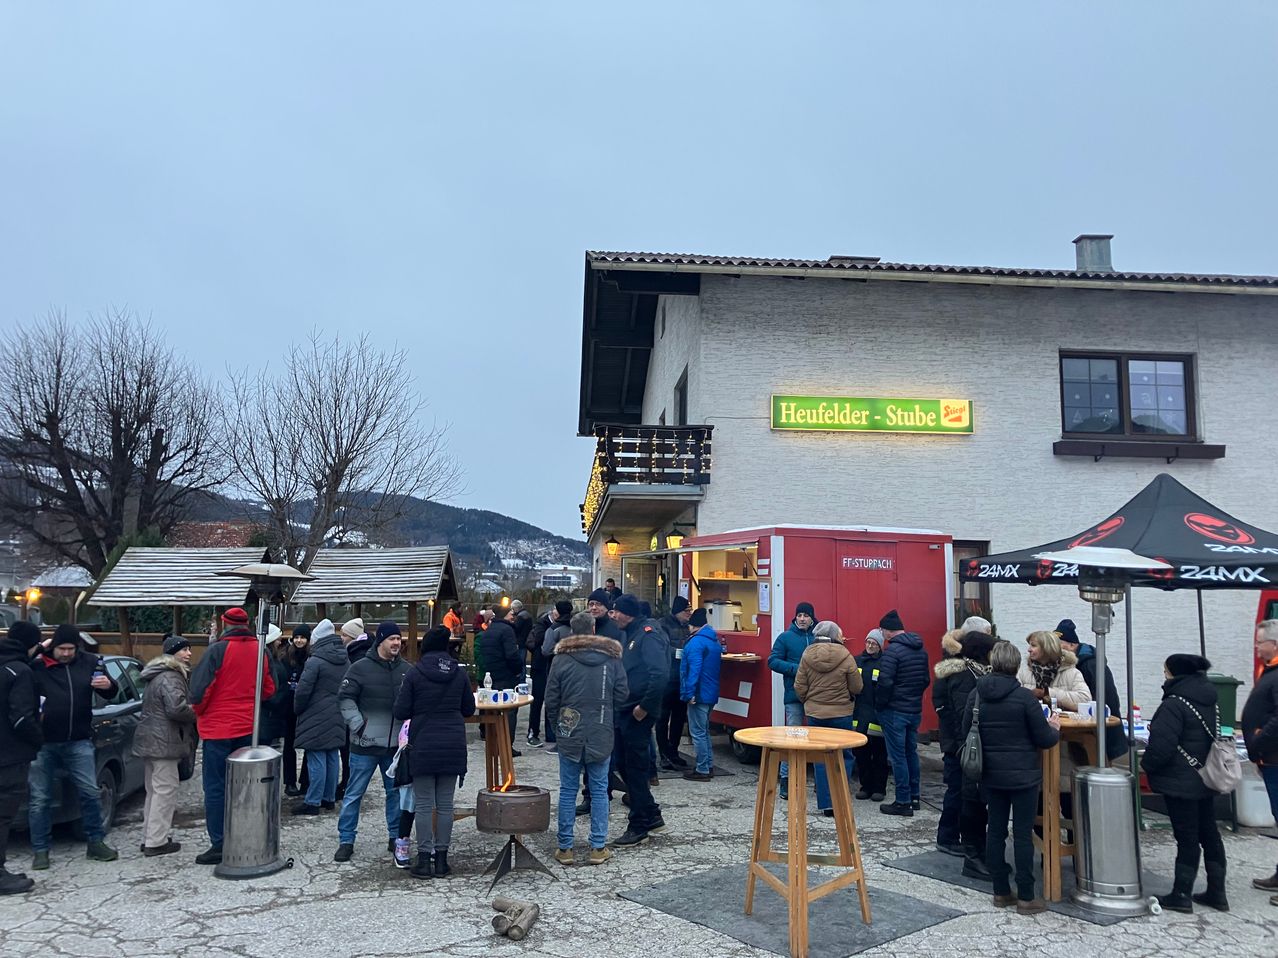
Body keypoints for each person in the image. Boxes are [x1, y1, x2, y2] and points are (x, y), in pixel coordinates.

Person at [961, 639, 1060, 915]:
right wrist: (1054, 727)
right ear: (1016, 666)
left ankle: (1000, 891)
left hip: (990, 774)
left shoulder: (977, 695)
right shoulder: (1024, 698)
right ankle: (1027, 896)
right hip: (1023, 776)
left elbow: (966, 731)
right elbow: (1044, 738)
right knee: (1022, 834)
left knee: (995, 830)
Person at [1140, 653, 1229, 913]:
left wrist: (1148, 767)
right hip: (1205, 775)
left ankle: (1181, 893)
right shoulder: (1209, 698)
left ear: (1175, 673)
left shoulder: (1174, 703)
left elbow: (1161, 746)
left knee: (1186, 836)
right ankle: (1217, 892)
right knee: (1209, 833)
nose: (1163, 675)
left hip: (1180, 778)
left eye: (1165, 671)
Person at [189, 607, 276, 865]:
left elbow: (198, 693)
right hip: (248, 728)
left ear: (225, 624)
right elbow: (269, 689)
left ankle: (219, 842)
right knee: (244, 788)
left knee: (216, 787)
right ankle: (244, 835)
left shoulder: (216, 651)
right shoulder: (262, 651)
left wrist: (200, 712)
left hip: (217, 729)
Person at [28, 624, 120, 868]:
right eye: (62, 648)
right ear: (53, 646)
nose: (67, 653)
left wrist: (108, 686)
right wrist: (39, 647)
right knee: (40, 798)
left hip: (78, 740)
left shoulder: (89, 662)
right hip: (43, 743)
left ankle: (95, 842)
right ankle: (40, 850)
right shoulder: (37, 665)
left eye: (71, 648)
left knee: (90, 792)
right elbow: (12, 664)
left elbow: (112, 691)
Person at [392, 626, 475, 879]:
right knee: (446, 805)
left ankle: (424, 860)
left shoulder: (415, 673)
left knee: (425, 804)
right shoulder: (458, 673)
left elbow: (401, 711)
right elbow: (469, 709)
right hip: (452, 744)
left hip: (424, 745)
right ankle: (442, 860)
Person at [546, 611, 628, 865]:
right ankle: (598, 847)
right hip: (601, 730)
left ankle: (565, 848)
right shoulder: (611, 659)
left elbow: (551, 700)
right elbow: (623, 694)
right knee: (600, 789)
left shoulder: (561, 660)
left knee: (568, 790)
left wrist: (558, 728)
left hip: (569, 731)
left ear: (572, 631)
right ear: (594, 629)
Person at [334, 620, 411, 862]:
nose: (397, 642)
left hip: (394, 747)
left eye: (399, 639)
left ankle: (394, 836)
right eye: (392, 639)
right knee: (354, 793)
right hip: (364, 744)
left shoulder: (406, 670)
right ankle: (346, 839)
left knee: (395, 794)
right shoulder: (359, 668)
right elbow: (345, 698)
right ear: (381, 641)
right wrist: (358, 725)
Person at [932, 629, 996, 878]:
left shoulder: (966, 671)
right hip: (959, 744)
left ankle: (951, 834)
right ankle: (947, 836)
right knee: (958, 790)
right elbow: (962, 714)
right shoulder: (963, 674)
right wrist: (962, 746)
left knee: (959, 790)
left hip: (958, 742)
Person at [610, 594, 669, 847]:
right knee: (623, 763)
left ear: (628, 613)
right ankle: (651, 813)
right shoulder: (632, 633)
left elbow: (660, 674)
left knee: (634, 767)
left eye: (616, 612)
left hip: (637, 712)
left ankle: (639, 825)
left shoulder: (648, 634)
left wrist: (644, 707)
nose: (613, 616)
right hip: (625, 709)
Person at [133, 635, 197, 857]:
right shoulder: (171, 676)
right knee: (165, 791)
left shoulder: (157, 675)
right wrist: (197, 711)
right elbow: (176, 709)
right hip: (164, 742)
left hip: (151, 740)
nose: (189, 654)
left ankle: (149, 837)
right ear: (173, 653)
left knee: (153, 791)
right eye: (184, 650)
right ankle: (157, 842)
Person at [794, 621, 863, 815]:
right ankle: (840, 800)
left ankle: (826, 803)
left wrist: (808, 701)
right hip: (841, 713)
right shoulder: (846, 655)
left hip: (815, 714)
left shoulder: (807, 654)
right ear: (835, 635)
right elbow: (857, 687)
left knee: (821, 759)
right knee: (844, 756)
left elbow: (799, 686)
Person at [0, 621, 43, 895]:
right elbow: (20, 718)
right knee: (3, 815)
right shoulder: (20, 671)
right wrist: (38, 737)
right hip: (9, 756)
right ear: (32, 645)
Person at [875, 609, 930, 816]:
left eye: (881, 630)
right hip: (913, 709)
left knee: (898, 757)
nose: (881, 634)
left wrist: (880, 705)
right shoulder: (920, 649)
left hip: (894, 711)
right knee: (910, 753)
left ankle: (902, 801)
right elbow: (925, 680)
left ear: (888, 631)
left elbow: (885, 682)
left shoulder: (892, 651)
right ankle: (915, 797)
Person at [292, 619, 348, 815]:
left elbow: (303, 691)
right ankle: (329, 798)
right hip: (337, 712)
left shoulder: (315, 661)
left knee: (316, 757)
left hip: (315, 714)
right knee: (332, 755)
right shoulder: (344, 658)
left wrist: (297, 709)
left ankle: (313, 801)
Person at [1053, 618, 1128, 762]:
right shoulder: (1068, 664)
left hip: (1100, 730)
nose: (1055, 650)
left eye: (1059, 646)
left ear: (1072, 645)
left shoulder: (1091, 665)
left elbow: (1108, 698)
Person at [1242, 619, 1278, 902]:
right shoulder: (1271, 671)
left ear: (1274, 644)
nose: (1256, 646)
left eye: (1259, 641)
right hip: (1269, 758)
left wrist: (1258, 741)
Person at [768, 601, 817, 800]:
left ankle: (820, 783)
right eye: (799, 615)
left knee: (817, 739)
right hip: (794, 696)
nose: (802, 619)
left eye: (806, 615)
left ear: (812, 618)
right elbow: (772, 661)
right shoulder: (785, 638)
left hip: (817, 697)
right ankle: (786, 782)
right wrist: (796, 669)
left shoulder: (819, 637)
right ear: (795, 617)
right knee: (793, 739)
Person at [680, 608, 720, 781]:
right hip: (710, 692)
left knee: (697, 732)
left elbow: (693, 670)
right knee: (704, 731)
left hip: (698, 694)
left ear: (692, 626)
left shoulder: (696, 643)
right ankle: (708, 765)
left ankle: (702, 769)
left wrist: (689, 693)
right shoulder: (713, 641)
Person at [479, 606, 525, 750]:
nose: (513, 616)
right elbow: (512, 655)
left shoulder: (488, 631)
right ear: (504, 616)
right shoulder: (507, 631)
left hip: (491, 677)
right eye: (511, 614)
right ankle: (506, 746)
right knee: (509, 711)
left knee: (493, 711)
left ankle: (492, 743)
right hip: (506, 677)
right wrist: (518, 670)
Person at [527, 601, 571, 749]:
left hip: (554, 667)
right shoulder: (543, 623)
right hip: (540, 667)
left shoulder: (562, 626)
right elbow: (537, 643)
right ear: (554, 612)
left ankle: (551, 733)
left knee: (552, 700)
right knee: (538, 700)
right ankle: (533, 732)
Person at [851, 630, 889, 802]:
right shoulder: (857, 661)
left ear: (880, 646)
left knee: (879, 752)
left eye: (874, 643)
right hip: (859, 714)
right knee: (861, 753)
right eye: (868, 642)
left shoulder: (885, 663)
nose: (870, 646)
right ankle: (865, 786)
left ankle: (879, 788)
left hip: (877, 715)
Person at [657, 596, 693, 769]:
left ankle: (674, 751)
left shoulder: (688, 627)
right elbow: (662, 647)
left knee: (679, 717)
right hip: (666, 678)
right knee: (662, 718)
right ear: (678, 611)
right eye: (687, 611)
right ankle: (663, 753)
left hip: (682, 678)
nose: (689, 614)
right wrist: (681, 653)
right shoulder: (662, 624)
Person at [1016, 629, 1091, 712]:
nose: (1029, 649)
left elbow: (1085, 700)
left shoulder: (1072, 673)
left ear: (1046, 648)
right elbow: (1013, 699)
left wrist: (1047, 693)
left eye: (1033, 646)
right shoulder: (1023, 673)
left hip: (1064, 723)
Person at [281, 625, 311, 796]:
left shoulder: (311, 657)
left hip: (306, 708)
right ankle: (290, 781)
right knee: (289, 745)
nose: (299, 640)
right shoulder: (286, 656)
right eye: (297, 637)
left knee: (308, 744)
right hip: (289, 706)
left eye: (302, 637)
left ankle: (306, 781)